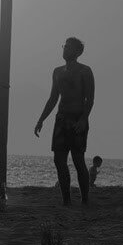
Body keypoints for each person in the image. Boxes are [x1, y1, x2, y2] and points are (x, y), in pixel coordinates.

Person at [34, 37, 95, 205]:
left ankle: (84, 200)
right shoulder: (57, 71)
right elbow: (53, 98)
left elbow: (89, 99)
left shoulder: (85, 71)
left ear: (77, 51)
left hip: (77, 119)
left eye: (68, 47)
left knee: (78, 160)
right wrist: (41, 119)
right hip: (61, 119)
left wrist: (84, 119)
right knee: (59, 160)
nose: (65, 49)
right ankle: (66, 200)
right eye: (64, 46)